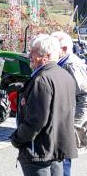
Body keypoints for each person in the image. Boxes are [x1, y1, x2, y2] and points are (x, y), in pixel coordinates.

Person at [10, 35, 78, 176]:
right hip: (55, 150)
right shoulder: (65, 76)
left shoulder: (42, 80)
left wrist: (17, 138)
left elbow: (36, 121)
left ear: (45, 56)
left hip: (39, 152)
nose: (29, 55)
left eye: (33, 52)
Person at [51, 31, 87, 176]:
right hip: (62, 121)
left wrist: (75, 125)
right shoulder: (62, 63)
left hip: (68, 123)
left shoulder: (71, 65)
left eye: (54, 47)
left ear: (64, 49)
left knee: (63, 161)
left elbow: (84, 97)